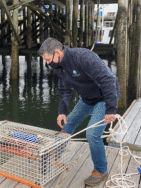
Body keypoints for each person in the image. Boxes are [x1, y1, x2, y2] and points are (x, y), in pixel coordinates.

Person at [38, 37, 120, 186]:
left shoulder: (83, 56)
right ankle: (54, 153)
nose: (47, 63)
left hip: (104, 97)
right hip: (87, 98)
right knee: (67, 125)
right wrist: (61, 111)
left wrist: (111, 109)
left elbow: (107, 80)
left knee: (92, 134)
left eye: (48, 59)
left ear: (57, 52)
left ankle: (101, 170)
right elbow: (65, 89)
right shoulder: (59, 67)